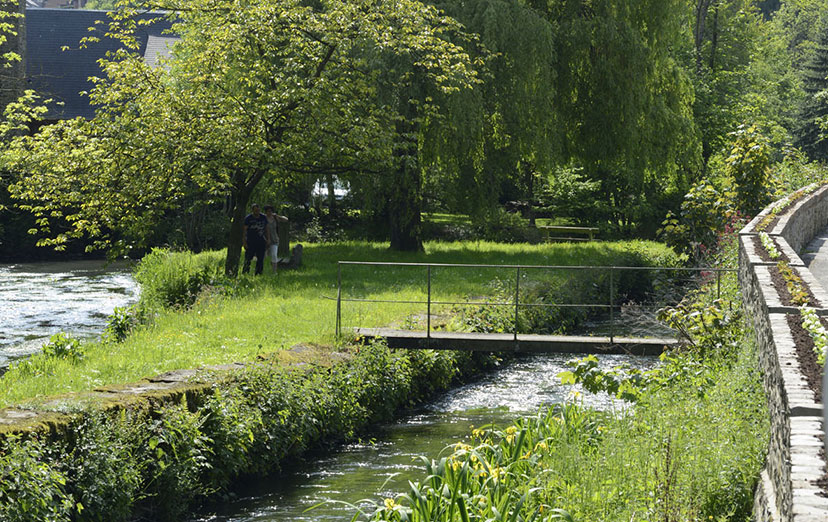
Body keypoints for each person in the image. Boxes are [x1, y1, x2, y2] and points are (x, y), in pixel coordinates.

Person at [242, 203, 268, 275]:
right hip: (251, 241)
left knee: (260, 259)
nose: (257, 212)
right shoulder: (248, 218)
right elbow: (244, 231)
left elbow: (266, 229)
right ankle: (245, 272)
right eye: (255, 210)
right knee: (248, 259)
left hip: (261, 241)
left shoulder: (263, 217)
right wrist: (244, 242)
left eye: (258, 210)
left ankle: (258, 273)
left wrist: (268, 239)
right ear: (252, 210)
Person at [264, 205, 289, 274]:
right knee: (264, 256)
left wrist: (277, 216)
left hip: (274, 240)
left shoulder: (275, 218)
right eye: (268, 211)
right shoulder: (263, 218)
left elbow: (286, 219)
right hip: (265, 240)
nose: (269, 213)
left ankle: (274, 271)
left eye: (270, 211)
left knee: (274, 255)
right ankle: (262, 270)